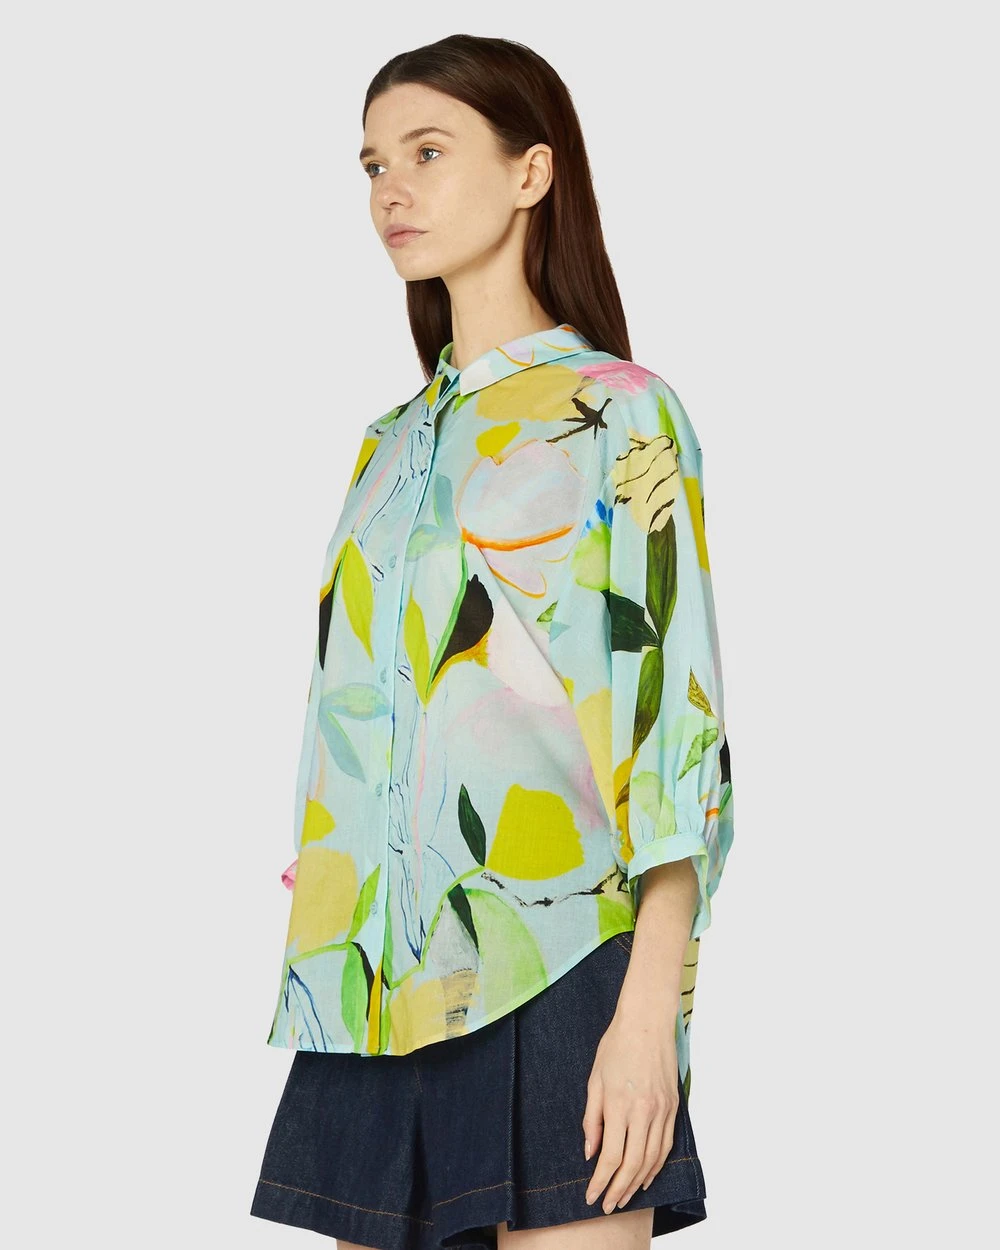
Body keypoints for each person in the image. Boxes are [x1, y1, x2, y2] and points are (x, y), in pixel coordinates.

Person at [250, 32, 734, 1250]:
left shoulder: (617, 411)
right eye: (373, 164)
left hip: (556, 960)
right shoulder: (385, 444)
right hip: (369, 989)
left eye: (427, 152)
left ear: (531, 171)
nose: (390, 190)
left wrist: (649, 1018)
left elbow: (674, 734)